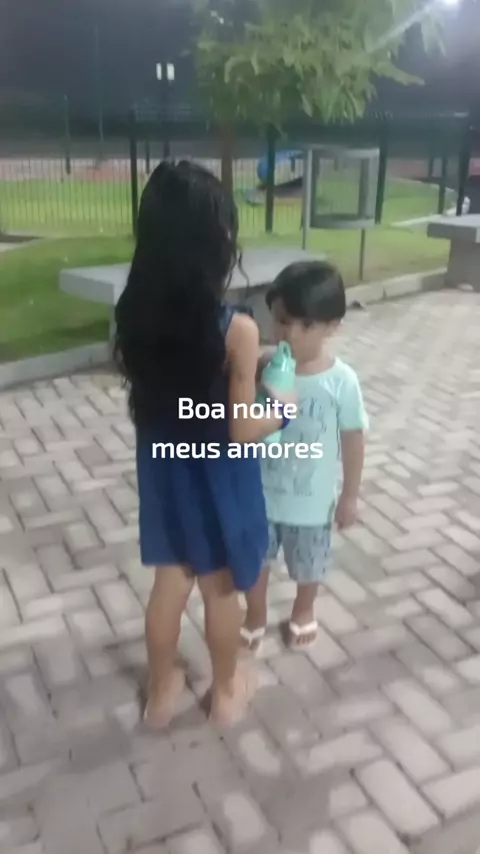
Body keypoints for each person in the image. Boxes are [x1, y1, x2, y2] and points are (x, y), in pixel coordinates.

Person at [113, 160, 294, 727]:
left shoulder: (132, 316)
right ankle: (226, 692)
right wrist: (281, 411)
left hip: (165, 471)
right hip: (219, 478)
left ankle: (161, 694)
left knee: (169, 582)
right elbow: (240, 428)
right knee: (220, 588)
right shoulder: (236, 328)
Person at [241, 260, 368, 653]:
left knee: (309, 565)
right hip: (260, 495)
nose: (289, 333)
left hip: (311, 504)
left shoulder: (341, 382)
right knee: (254, 562)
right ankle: (255, 613)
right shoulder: (263, 368)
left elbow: (353, 439)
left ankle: (303, 609)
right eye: (282, 320)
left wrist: (350, 495)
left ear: (332, 326)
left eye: (305, 324)